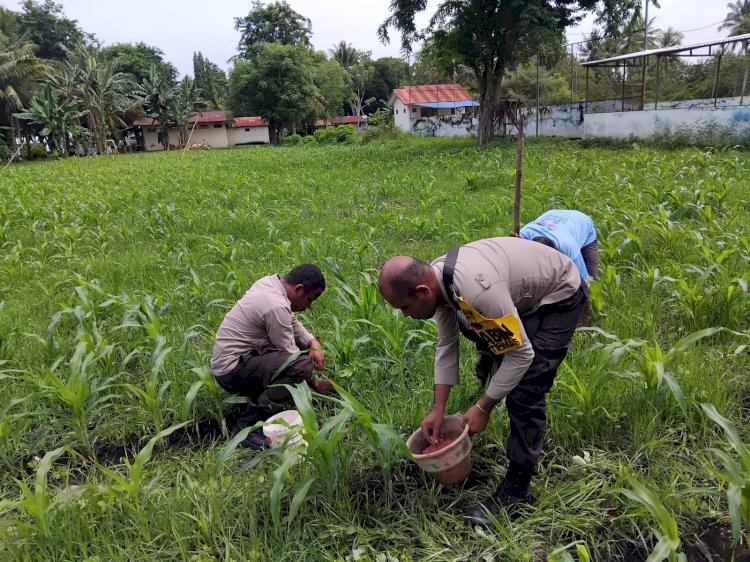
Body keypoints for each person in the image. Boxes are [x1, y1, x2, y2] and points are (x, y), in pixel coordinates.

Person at [378, 238, 587, 527]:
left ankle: (517, 488)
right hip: (518, 293)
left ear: (422, 291)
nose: (406, 315)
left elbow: (521, 355)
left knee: (525, 389)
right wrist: (438, 408)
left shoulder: (476, 291)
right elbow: (446, 345)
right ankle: (493, 368)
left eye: (404, 307)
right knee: (471, 327)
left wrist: (484, 406)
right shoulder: (439, 282)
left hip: (558, 294)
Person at [210, 264, 335, 449]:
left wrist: (312, 343)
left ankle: (266, 395)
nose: (308, 307)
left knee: (303, 349)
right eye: (310, 299)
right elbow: (291, 359)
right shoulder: (275, 306)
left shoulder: (270, 284)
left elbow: (289, 321)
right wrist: (316, 384)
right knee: (301, 366)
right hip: (231, 370)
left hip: (237, 359)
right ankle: (247, 426)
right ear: (299, 288)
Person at [515, 209, 599, 281]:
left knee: (592, 281)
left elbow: (584, 281)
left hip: (582, 221)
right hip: (552, 214)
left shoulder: (568, 247)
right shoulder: (523, 235)